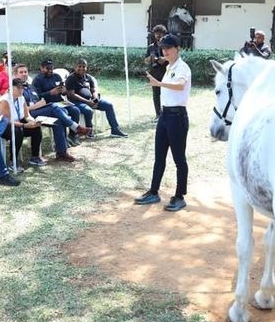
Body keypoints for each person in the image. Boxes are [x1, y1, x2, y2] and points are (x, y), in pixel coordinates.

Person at [135, 34, 191, 212]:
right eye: (163, 48)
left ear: (178, 49)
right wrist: (158, 83)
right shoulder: (169, 67)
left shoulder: (183, 68)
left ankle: (179, 196)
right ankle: (153, 192)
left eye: (168, 48)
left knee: (178, 158)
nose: (164, 51)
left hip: (177, 117)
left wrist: (159, 84)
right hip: (165, 116)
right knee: (159, 156)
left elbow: (181, 86)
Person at [15, 64, 84, 162]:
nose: (24, 74)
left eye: (25, 72)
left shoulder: (30, 87)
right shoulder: (15, 89)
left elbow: (38, 98)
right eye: (21, 72)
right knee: (54, 106)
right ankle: (76, 127)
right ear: (15, 74)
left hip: (39, 111)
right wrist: (37, 105)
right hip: (27, 116)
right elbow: (19, 111)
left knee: (58, 120)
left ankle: (61, 152)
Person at [32, 58, 91, 147]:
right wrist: (50, 93)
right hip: (48, 104)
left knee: (75, 110)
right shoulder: (38, 80)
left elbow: (64, 92)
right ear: (41, 68)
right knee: (63, 113)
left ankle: (72, 135)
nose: (50, 70)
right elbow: (36, 97)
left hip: (60, 101)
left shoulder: (57, 76)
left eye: (51, 68)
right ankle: (64, 138)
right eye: (47, 68)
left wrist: (64, 91)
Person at [65, 58, 128, 139]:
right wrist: (88, 102)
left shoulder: (88, 77)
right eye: (79, 66)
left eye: (84, 66)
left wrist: (95, 100)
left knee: (108, 105)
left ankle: (115, 130)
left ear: (86, 67)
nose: (81, 68)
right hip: (76, 102)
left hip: (90, 100)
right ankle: (89, 130)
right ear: (75, 67)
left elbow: (93, 90)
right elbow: (72, 95)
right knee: (88, 110)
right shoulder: (71, 78)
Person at [0, 78, 46, 169]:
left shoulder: (21, 98)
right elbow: (7, 121)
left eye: (22, 88)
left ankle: (35, 156)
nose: (21, 90)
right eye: (18, 88)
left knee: (36, 127)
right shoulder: (4, 100)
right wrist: (24, 125)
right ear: (11, 88)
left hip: (16, 123)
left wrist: (32, 121)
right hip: (1, 126)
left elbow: (27, 115)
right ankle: (13, 161)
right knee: (17, 131)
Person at [144, 24, 168, 118]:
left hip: (166, 73)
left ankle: (166, 113)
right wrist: (151, 58)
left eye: (160, 33)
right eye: (156, 33)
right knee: (156, 95)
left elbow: (173, 57)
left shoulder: (167, 46)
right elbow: (145, 61)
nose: (158, 35)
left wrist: (163, 59)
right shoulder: (151, 47)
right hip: (154, 73)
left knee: (166, 93)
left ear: (163, 34)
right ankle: (158, 114)